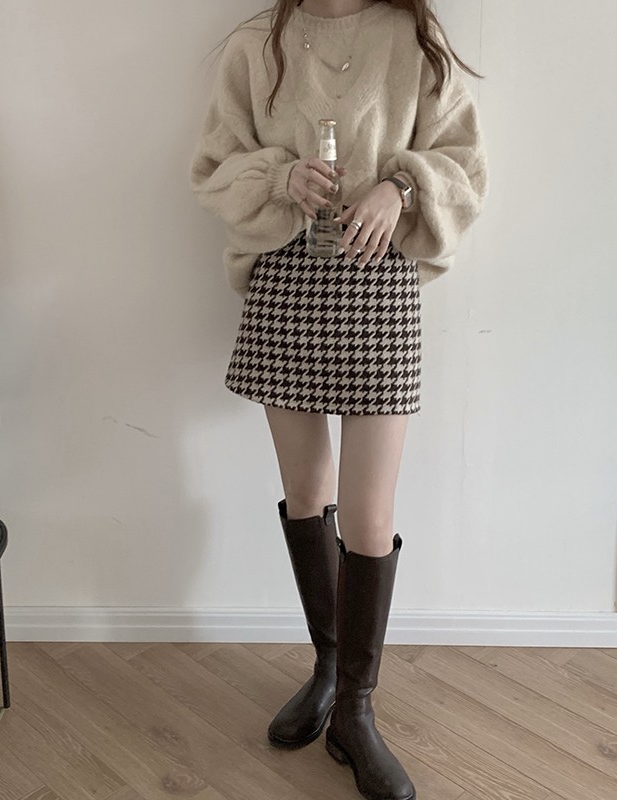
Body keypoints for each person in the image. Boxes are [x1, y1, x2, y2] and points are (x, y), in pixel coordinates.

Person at [190, 1, 487, 798]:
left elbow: (465, 162)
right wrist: (279, 176)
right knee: (304, 493)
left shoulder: (415, 40)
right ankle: (327, 670)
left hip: (379, 285)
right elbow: (213, 163)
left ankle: (356, 708)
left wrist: (401, 186)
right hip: (286, 279)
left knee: (367, 516)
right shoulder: (259, 42)